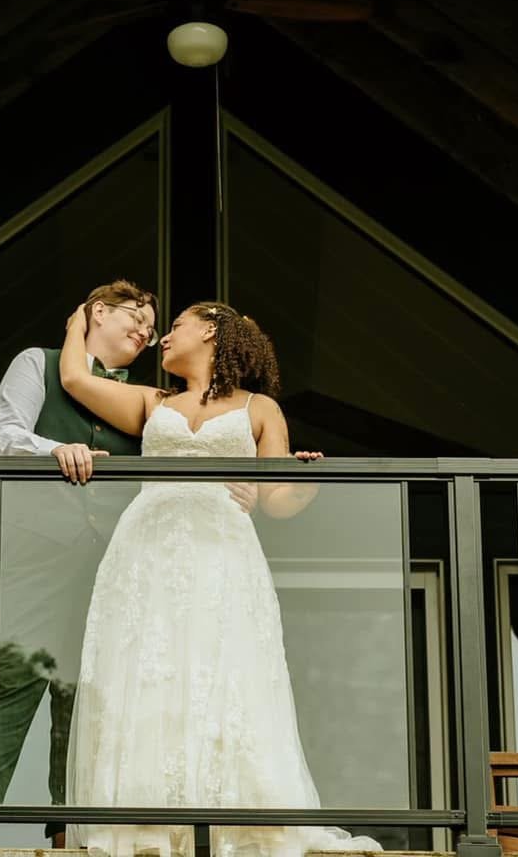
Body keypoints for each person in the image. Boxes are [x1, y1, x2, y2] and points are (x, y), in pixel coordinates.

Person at [57, 301, 382, 857]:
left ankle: (239, 818)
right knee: (149, 675)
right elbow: (74, 377)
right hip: (147, 554)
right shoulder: (152, 401)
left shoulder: (261, 410)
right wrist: (80, 319)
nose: (161, 337)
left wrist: (306, 480)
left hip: (222, 556)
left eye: (175, 326)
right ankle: (145, 825)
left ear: (209, 328)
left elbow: (277, 502)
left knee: (226, 674)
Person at [0, 279, 160, 845]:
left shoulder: (143, 397)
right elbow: (4, 436)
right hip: (35, 541)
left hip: (112, 552)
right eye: (134, 314)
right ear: (96, 312)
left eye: (152, 326)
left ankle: (71, 821)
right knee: (18, 670)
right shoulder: (36, 362)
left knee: (85, 681)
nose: (145, 329)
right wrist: (54, 449)